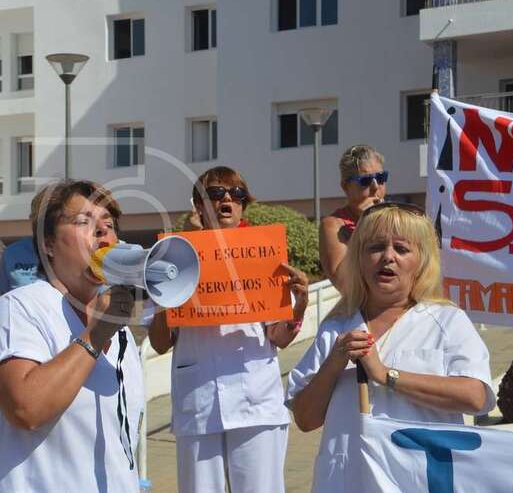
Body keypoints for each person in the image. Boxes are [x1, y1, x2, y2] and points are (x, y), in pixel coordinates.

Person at [287, 202, 495, 493]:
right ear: (358, 258)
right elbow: (306, 419)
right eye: (375, 248)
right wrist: (334, 364)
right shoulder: (336, 326)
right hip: (348, 481)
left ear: (421, 260)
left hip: (420, 481)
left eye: (402, 249)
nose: (387, 257)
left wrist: (387, 376)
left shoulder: (447, 321)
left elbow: (476, 397)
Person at [0, 179, 145, 492]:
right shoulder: (18, 309)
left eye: (109, 223)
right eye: (83, 222)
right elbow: (26, 409)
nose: (103, 231)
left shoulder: (119, 331)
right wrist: (95, 337)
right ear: (47, 243)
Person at [149, 166, 309, 493]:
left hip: (256, 399)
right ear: (198, 205)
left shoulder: (264, 257)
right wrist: (168, 299)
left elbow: (279, 337)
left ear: (242, 206)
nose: (227, 200)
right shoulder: (175, 260)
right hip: (199, 402)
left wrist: (301, 303)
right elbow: (159, 343)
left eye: (236, 195)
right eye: (216, 193)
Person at [319, 145, 388, 290]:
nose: (376, 187)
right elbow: (343, 282)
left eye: (381, 178)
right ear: (345, 186)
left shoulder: (397, 218)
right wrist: (365, 225)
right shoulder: (333, 224)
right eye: (365, 181)